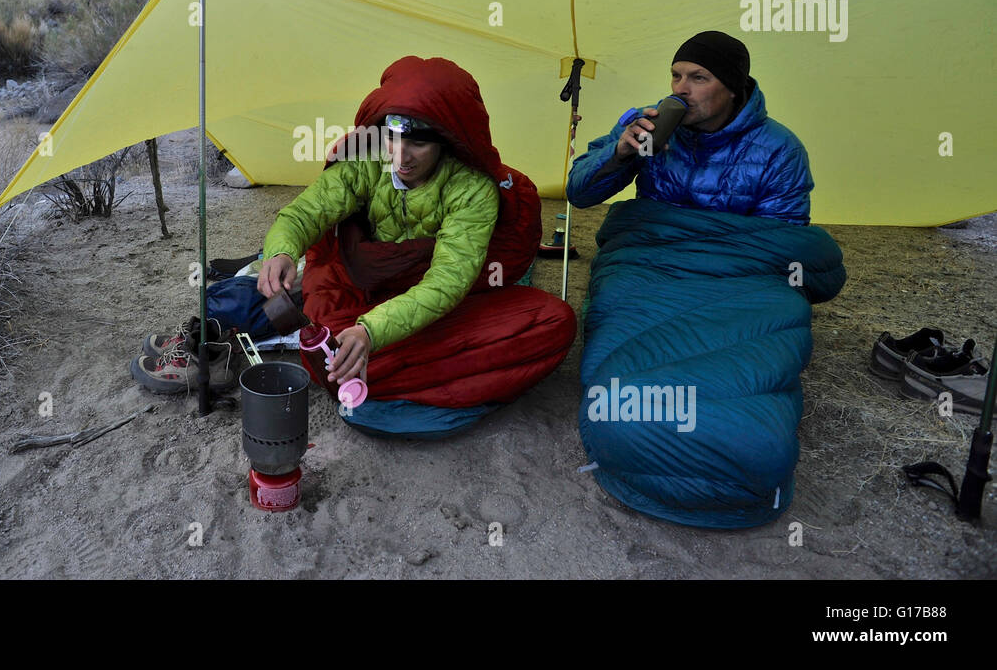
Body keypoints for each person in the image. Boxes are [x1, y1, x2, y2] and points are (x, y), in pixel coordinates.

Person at [256, 55, 576, 437]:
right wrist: (281, 251)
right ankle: (409, 384)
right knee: (328, 343)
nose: (401, 156)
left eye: (418, 143)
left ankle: (368, 379)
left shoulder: (471, 189)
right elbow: (305, 213)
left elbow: (448, 281)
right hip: (366, 291)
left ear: (446, 141)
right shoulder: (366, 160)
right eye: (393, 137)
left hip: (437, 304)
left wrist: (370, 332)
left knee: (555, 321)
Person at [566, 30, 813, 224]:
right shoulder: (648, 124)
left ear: (732, 90)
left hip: (733, 263)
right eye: (676, 76)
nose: (680, 89)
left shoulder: (779, 149)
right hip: (651, 251)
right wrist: (618, 155)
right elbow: (579, 195)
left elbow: (781, 236)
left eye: (698, 78)